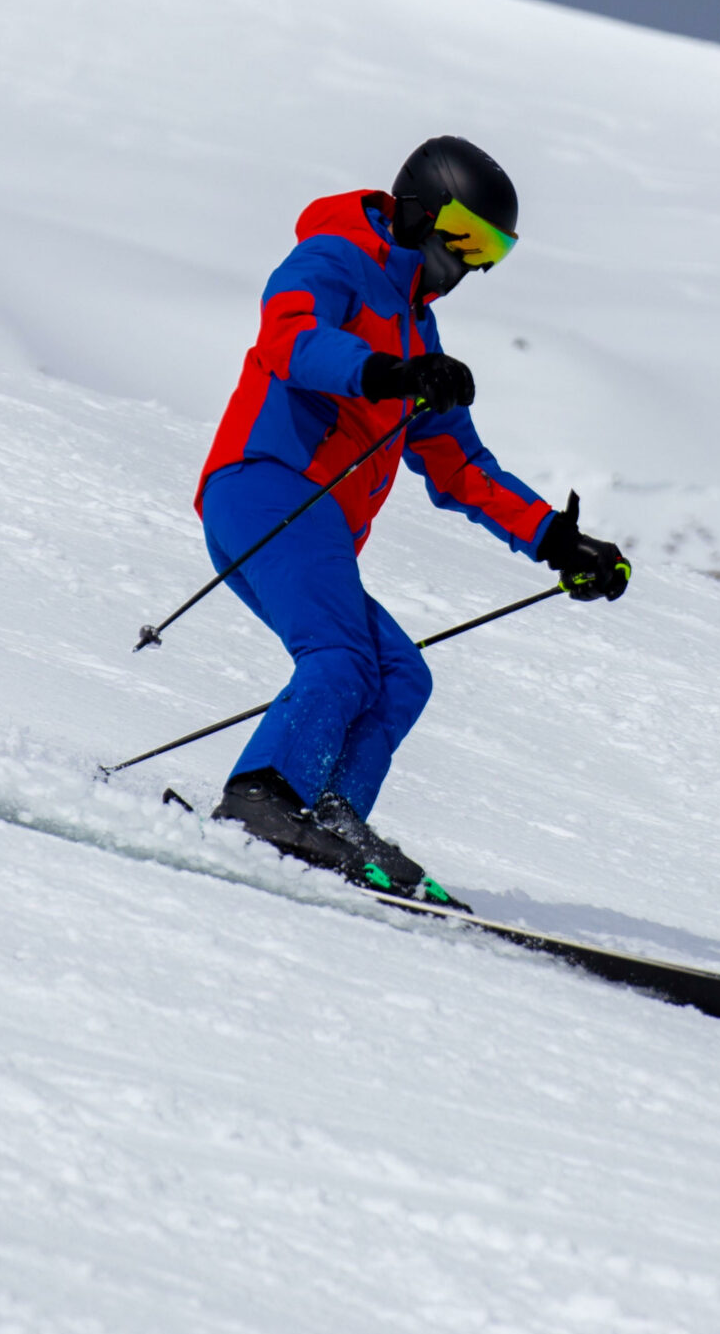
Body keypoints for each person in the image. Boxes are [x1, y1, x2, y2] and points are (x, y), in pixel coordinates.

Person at [194, 136, 629, 903]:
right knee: (339, 659)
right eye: (466, 237)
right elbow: (291, 339)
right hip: (266, 487)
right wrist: (387, 373)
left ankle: (333, 817)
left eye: (493, 249)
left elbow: (462, 467)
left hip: (314, 518)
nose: (473, 264)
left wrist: (558, 541)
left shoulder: (419, 334)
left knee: (400, 673)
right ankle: (261, 799)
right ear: (420, 210)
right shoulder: (333, 258)